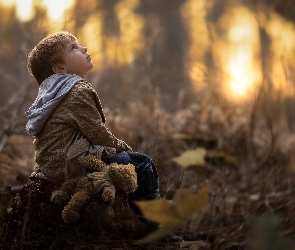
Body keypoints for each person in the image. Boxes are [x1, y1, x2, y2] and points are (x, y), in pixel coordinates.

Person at [25, 31, 160, 201]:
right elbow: (98, 134)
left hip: (50, 168)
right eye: (74, 48)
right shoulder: (77, 91)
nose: (84, 48)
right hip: (71, 167)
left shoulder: (49, 94)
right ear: (60, 69)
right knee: (142, 164)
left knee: (126, 163)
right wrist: (124, 147)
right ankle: (146, 219)